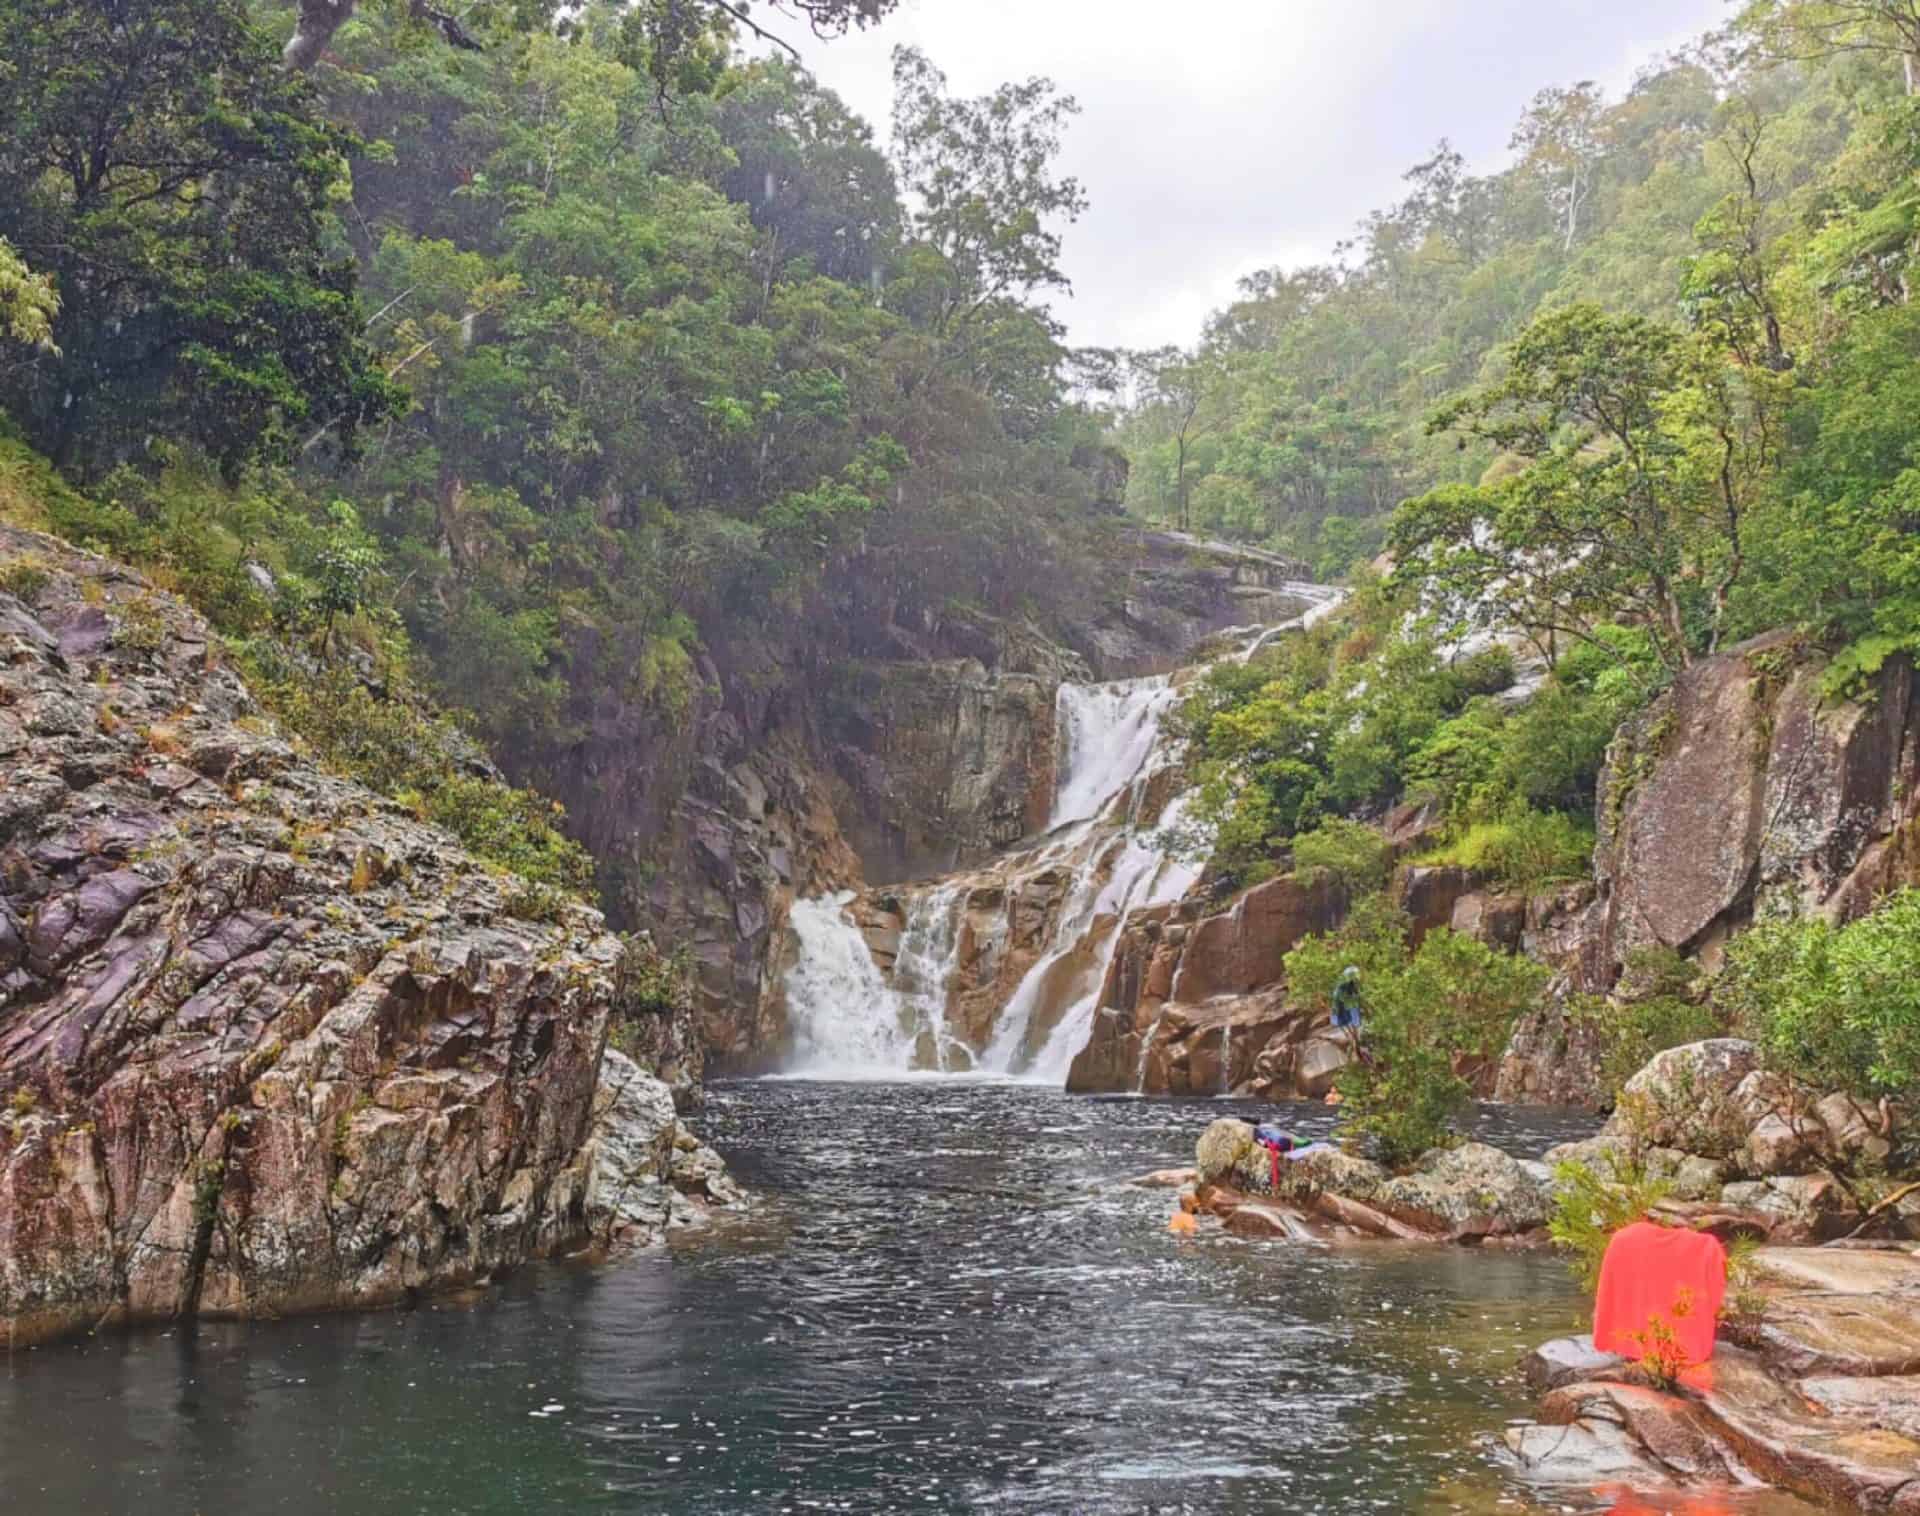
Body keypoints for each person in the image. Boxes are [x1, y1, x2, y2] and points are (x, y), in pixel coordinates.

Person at [1330, 965, 1374, 1068]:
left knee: (1359, 1032)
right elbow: (1350, 1006)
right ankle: (1362, 1055)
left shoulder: (1350, 987)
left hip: (1349, 1014)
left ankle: (1363, 1052)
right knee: (1358, 1033)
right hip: (1346, 1014)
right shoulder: (1341, 990)